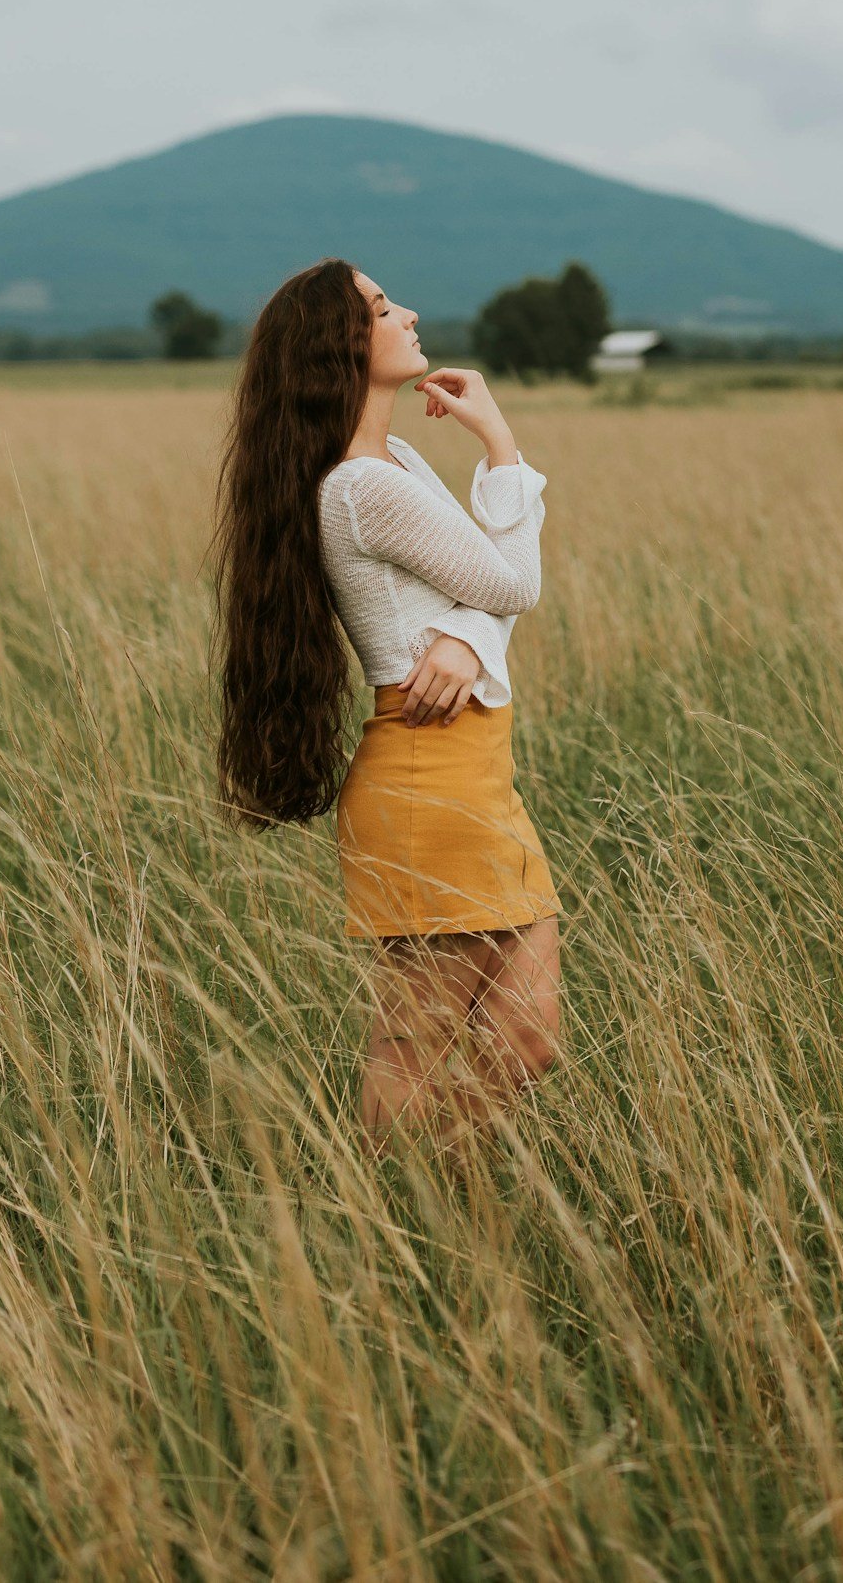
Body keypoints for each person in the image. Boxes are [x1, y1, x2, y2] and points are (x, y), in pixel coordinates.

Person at [212, 256, 561, 1150]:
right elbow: (512, 582)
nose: (406, 312)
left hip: (479, 774)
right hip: (424, 777)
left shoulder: (393, 461)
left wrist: (468, 638)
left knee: (528, 1038)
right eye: (379, 306)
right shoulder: (362, 489)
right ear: (341, 343)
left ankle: (442, 1191)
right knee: (414, 1044)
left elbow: (485, 602)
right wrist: (500, 446)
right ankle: (396, 1209)